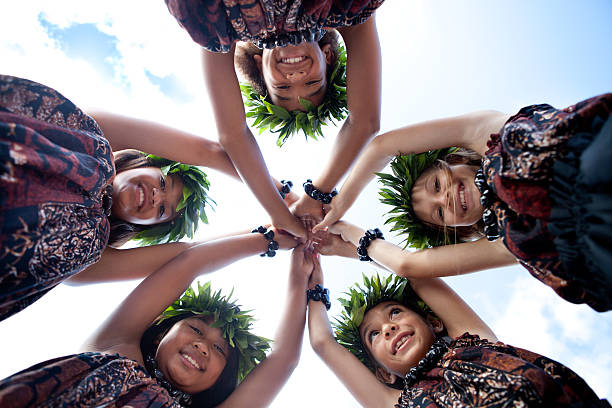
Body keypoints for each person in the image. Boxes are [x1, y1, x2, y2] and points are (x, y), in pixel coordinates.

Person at [0, 74, 297, 321]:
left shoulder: (91, 258)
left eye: (164, 210)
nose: (157, 197)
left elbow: (190, 253)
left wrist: (271, 235)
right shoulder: (91, 140)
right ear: (142, 163)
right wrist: (287, 197)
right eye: (164, 182)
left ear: (144, 227)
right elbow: (208, 152)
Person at [313, 93, 612, 311]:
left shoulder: (485, 133)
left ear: (454, 160)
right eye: (440, 213)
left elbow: (383, 146)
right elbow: (407, 264)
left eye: (436, 184)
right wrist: (350, 237)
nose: (444, 198)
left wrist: (339, 202)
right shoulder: (505, 243)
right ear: (459, 229)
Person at [0, 229, 311, 407]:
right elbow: (191, 262)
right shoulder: (116, 347)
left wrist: (305, 265)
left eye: (219, 350)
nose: (203, 346)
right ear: (162, 333)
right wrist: (269, 239)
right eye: (195, 328)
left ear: (222, 381)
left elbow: (283, 358)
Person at [165, 0, 384, 239]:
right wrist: (316, 194)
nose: (296, 76)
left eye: (282, 87)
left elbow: (232, 134)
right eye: (312, 83)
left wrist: (280, 215)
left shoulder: (219, 28)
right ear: (327, 55)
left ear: (260, 68)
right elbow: (364, 122)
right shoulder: (346, 10)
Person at [306, 258, 608, 407]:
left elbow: (414, 272)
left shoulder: (474, 341)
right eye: (373, 335)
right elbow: (322, 343)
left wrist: (351, 247)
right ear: (384, 375)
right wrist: (313, 285)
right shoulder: (394, 404)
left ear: (434, 323)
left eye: (395, 312)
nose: (388, 328)